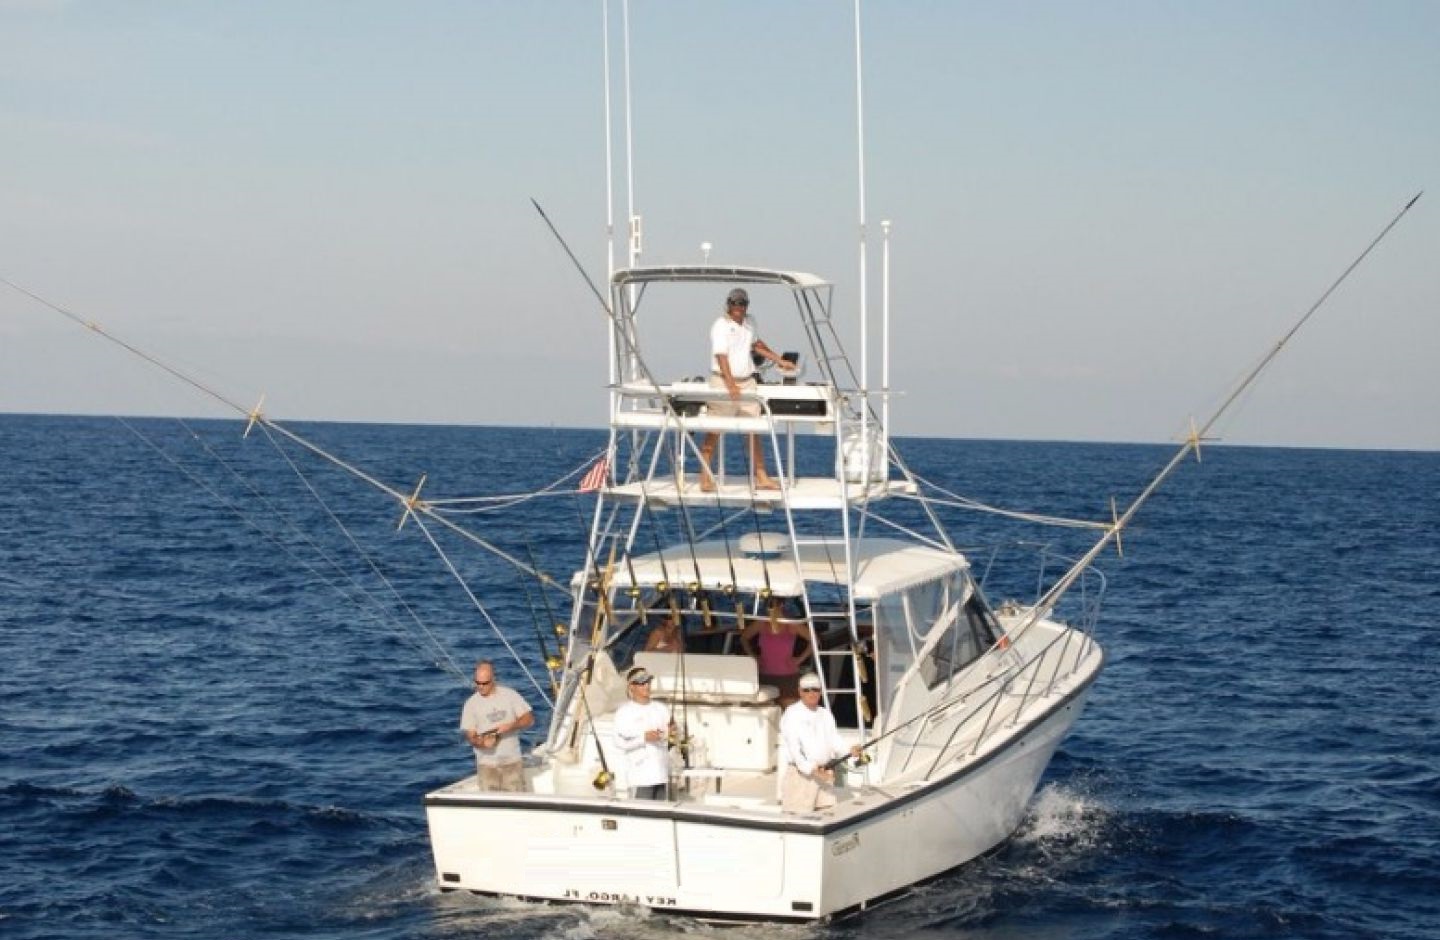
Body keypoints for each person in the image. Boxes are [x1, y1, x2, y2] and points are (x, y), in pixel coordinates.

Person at [698, 287, 795, 492]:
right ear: (728, 304)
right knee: (714, 431)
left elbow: (756, 345)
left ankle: (761, 477)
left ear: (746, 305)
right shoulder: (720, 325)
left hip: (748, 381)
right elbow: (721, 356)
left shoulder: (750, 323)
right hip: (723, 381)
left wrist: (779, 360)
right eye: (734, 303)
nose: (738, 307)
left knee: (754, 431)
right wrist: (731, 383)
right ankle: (705, 477)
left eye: (742, 303)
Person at [779, 673, 862, 814]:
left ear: (820, 692)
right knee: (798, 820)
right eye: (806, 690)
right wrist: (813, 769)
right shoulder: (792, 713)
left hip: (824, 774)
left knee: (827, 814)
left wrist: (850, 750)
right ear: (800, 692)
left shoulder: (825, 714)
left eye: (815, 689)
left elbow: (835, 740)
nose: (811, 693)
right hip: (802, 777)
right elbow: (794, 749)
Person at [459, 659, 535, 792]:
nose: (480, 687)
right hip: (487, 766)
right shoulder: (470, 704)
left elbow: (529, 719)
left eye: (484, 683)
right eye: (477, 683)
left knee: (516, 803)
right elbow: (470, 736)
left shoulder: (510, 695)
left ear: (493, 679)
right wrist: (481, 743)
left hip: (511, 762)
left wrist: (511, 726)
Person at [613, 666, 675, 800]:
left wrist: (670, 734)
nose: (646, 686)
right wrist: (643, 738)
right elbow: (619, 743)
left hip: (662, 775)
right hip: (639, 777)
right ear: (631, 687)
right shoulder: (624, 712)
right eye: (641, 683)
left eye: (648, 682)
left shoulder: (662, 709)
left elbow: (669, 737)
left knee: (661, 815)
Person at [740, 596, 811, 706]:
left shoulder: (792, 624)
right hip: (765, 676)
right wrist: (753, 657)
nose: (769, 607)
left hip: (788, 678)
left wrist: (799, 660)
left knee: (789, 715)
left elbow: (814, 640)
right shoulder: (761, 623)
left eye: (771, 604)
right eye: (767, 604)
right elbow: (744, 638)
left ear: (781, 605)